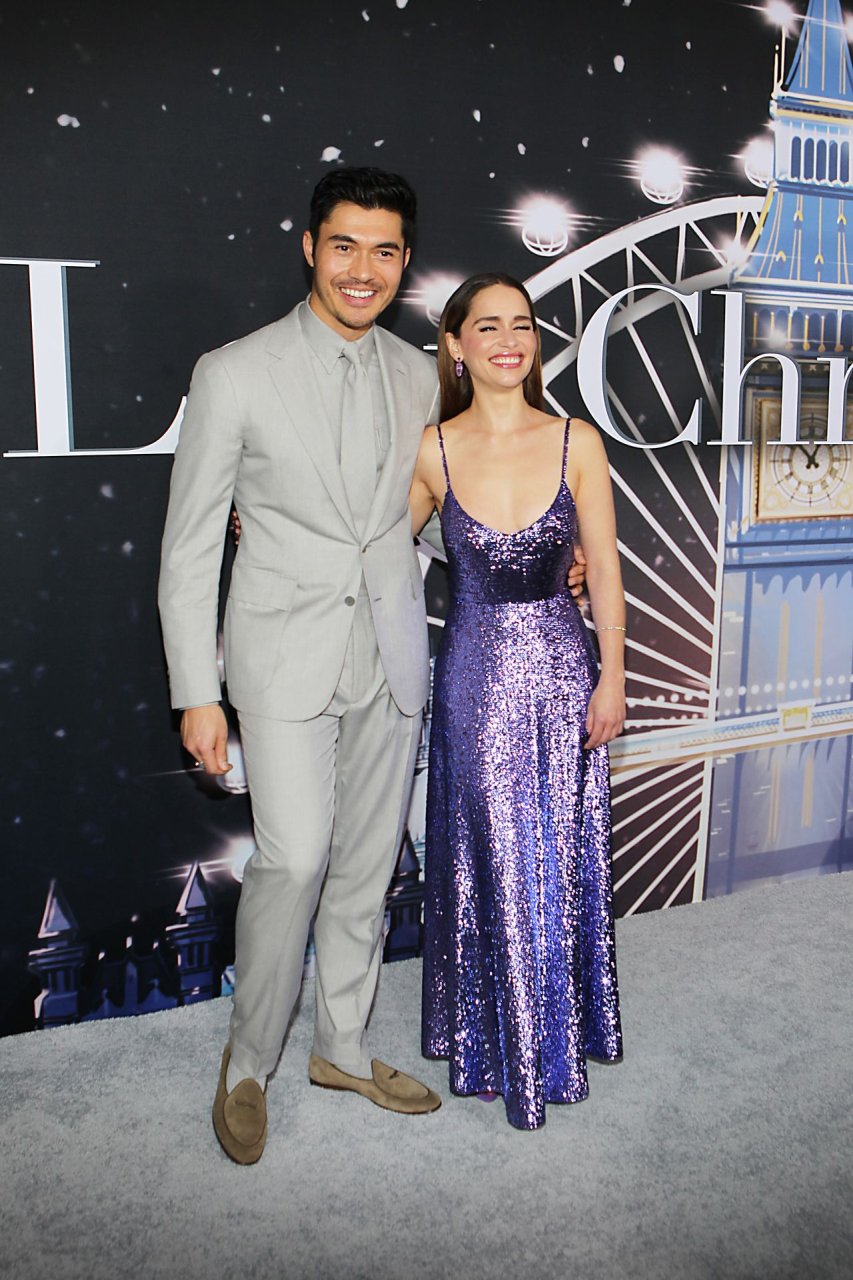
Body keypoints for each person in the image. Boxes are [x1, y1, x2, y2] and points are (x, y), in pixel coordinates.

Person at [158, 167, 446, 1165]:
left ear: (404, 260)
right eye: (344, 245)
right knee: (293, 858)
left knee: (368, 864)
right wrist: (196, 690)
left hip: (391, 652)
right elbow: (191, 546)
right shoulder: (233, 371)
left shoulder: (421, 375)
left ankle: (343, 1047)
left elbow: (429, 518)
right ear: (309, 247)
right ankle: (248, 1063)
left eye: (384, 250)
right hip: (281, 657)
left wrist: (530, 552)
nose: (363, 269)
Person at [410, 272, 625, 1130]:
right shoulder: (432, 449)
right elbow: (363, 540)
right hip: (473, 677)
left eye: (522, 325)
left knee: (560, 856)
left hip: (565, 671)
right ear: (455, 345)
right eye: (488, 326)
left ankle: (556, 1034)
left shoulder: (577, 441)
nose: (508, 341)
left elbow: (604, 569)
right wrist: (266, 523)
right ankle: (495, 1040)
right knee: (490, 858)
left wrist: (613, 675)